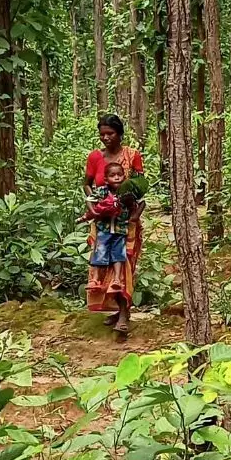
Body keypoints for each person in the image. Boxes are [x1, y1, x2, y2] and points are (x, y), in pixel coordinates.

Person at [83, 114, 145, 335]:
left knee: (123, 263)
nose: (106, 138)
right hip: (101, 222)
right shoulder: (94, 157)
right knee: (104, 263)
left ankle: (124, 313)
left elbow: (140, 185)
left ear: (119, 134)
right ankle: (114, 309)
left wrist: (130, 210)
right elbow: (87, 185)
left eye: (110, 134)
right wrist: (95, 206)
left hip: (125, 221)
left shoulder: (132, 155)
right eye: (102, 134)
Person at [79, 160, 139, 301]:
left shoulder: (126, 192)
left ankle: (117, 280)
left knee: (118, 255)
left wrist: (134, 216)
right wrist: (93, 211)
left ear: (124, 177)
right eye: (113, 175)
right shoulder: (102, 191)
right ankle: (95, 280)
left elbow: (140, 202)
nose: (117, 178)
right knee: (99, 252)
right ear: (106, 179)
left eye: (119, 175)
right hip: (104, 229)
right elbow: (89, 199)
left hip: (120, 229)